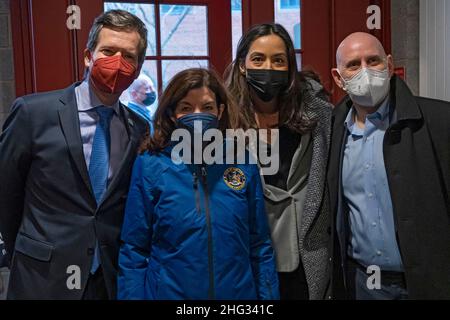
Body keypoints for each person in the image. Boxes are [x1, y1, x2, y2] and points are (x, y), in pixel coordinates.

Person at [0, 10, 148, 299]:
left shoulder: (138, 128)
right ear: (88, 56)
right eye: (108, 51)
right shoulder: (33, 113)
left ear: (139, 67)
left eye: (128, 56)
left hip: (106, 279)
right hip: (40, 277)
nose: (117, 62)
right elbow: (6, 193)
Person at [117, 68, 279, 300]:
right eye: (186, 108)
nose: (197, 114)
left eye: (207, 107)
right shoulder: (150, 165)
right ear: (172, 114)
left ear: (220, 111)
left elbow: (260, 245)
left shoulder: (242, 162)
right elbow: (134, 250)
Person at [328, 32, 450, 299]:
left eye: (373, 61)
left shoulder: (439, 121)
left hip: (430, 283)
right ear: (338, 78)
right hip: (363, 284)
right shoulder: (331, 132)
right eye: (353, 65)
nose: (365, 72)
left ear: (390, 65)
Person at [226, 23, 333, 300]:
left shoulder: (318, 115)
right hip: (244, 254)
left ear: (289, 68)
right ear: (242, 65)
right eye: (258, 59)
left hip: (305, 254)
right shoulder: (222, 120)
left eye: (278, 60)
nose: (269, 68)